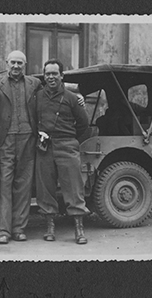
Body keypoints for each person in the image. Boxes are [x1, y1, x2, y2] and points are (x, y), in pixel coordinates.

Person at [34, 60, 92, 244]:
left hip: (67, 146)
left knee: (73, 187)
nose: (51, 77)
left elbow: (84, 126)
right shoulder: (37, 97)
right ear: (44, 76)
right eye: (47, 74)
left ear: (61, 76)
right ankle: (50, 226)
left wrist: (73, 143)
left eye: (54, 74)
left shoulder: (72, 98)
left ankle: (79, 229)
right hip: (45, 147)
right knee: (45, 188)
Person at [0, 51, 41, 244]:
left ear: (25, 65)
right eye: (13, 62)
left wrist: (77, 96)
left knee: (24, 184)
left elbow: (55, 89)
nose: (16, 66)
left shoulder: (33, 83)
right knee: (4, 184)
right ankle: (3, 230)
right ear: (6, 63)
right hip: (5, 139)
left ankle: (19, 228)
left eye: (20, 63)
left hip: (28, 138)